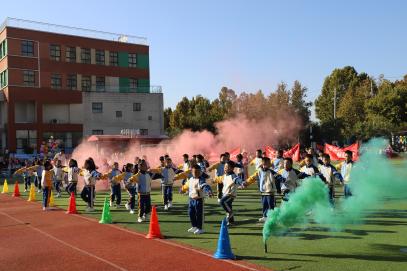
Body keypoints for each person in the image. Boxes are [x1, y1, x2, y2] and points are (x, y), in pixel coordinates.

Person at [180, 164, 213, 235]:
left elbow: (205, 186)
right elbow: (186, 185)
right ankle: (194, 226)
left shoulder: (201, 180)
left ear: (200, 172)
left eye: (198, 172)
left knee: (199, 214)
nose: (196, 173)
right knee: (191, 213)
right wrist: (182, 189)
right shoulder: (191, 179)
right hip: (191, 199)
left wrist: (209, 191)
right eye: (195, 172)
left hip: (199, 199)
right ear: (192, 172)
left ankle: (200, 228)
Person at [243, 157, 278, 222]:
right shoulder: (259, 171)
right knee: (264, 204)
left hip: (270, 191)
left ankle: (272, 217)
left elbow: (278, 176)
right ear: (262, 163)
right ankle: (264, 216)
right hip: (263, 191)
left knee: (271, 205)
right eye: (264, 164)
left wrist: (282, 180)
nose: (266, 165)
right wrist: (246, 183)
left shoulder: (271, 172)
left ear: (270, 164)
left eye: (267, 164)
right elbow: (252, 178)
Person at [213, 160, 244, 226]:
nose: (225, 168)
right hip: (225, 194)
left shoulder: (233, 175)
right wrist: (214, 180)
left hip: (230, 195)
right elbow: (220, 179)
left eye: (227, 167)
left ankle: (230, 213)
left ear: (232, 168)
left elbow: (237, 179)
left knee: (222, 202)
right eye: (225, 167)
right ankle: (231, 222)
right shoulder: (225, 175)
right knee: (229, 206)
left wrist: (241, 182)